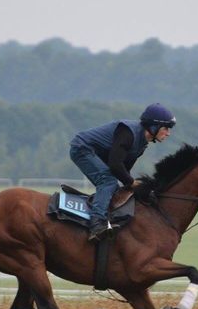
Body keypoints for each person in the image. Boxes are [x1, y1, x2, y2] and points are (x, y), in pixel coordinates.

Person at [69, 103, 176, 241]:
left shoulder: (142, 144)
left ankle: (103, 212)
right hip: (82, 148)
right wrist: (132, 183)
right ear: (154, 126)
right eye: (166, 128)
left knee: (114, 186)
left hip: (97, 153)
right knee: (108, 181)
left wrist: (134, 186)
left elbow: (124, 171)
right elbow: (115, 165)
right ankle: (96, 224)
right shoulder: (128, 133)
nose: (168, 133)